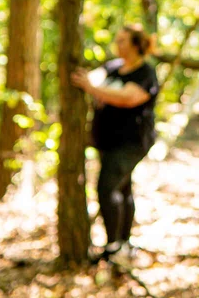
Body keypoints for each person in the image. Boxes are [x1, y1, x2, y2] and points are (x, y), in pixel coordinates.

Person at [71, 24, 159, 262]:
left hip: (131, 142)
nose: (117, 45)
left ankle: (113, 246)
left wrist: (93, 89)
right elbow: (94, 77)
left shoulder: (145, 73)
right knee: (122, 187)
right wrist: (90, 83)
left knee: (107, 187)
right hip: (108, 141)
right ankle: (123, 243)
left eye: (122, 41)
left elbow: (128, 98)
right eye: (117, 40)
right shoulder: (113, 67)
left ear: (135, 45)